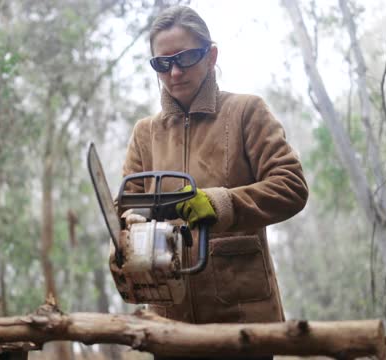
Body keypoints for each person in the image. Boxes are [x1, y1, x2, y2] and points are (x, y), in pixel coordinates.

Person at [119, 5, 308, 359]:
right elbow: (126, 210)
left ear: (211, 55)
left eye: (186, 57)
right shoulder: (145, 134)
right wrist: (130, 232)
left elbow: (291, 186)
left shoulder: (246, 112)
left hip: (244, 320)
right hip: (171, 325)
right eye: (163, 63)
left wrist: (224, 204)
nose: (175, 72)